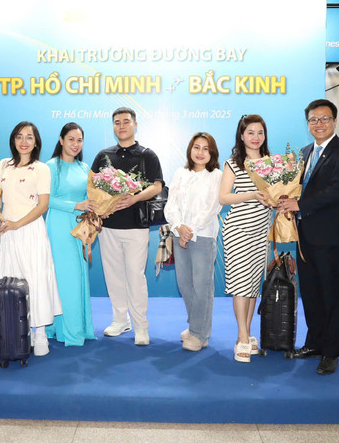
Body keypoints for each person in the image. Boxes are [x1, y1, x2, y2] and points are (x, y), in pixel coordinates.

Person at [277, 99, 339, 375]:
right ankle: (314, 343)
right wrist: (285, 197)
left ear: (335, 121)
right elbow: (301, 187)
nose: (319, 124)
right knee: (310, 293)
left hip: (329, 235)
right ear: (308, 123)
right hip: (304, 235)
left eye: (324, 119)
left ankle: (331, 352)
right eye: (313, 119)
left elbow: (337, 190)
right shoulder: (305, 152)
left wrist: (300, 204)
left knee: (331, 294)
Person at [91, 107, 163, 346]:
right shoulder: (103, 155)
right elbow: (92, 185)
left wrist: (135, 197)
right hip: (108, 227)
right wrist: (101, 205)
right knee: (113, 276)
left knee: (135, 276)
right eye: (117, 122)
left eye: (125, 122)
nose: (121, 126)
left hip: (136, 226)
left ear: (135, 125)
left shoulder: (147, 155)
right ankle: (120, 320)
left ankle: (141, 326)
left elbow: (157, 186)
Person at [0, 121, 62, 356]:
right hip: (7, 232)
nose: (24, 141)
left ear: (36, 142)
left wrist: (17, 223)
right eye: (19, 136)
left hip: (31, 230)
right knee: (11, 279)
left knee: (36, 279)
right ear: (13, 140)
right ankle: (17, 330)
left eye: (29, 137)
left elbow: (42, 206)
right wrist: (1, 218)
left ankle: (40, 333)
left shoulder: (41, 168)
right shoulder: (3, 165)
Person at [219, 115, 272, 363]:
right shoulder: (233, 163)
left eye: (260, 132)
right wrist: (252, 194)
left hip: (262, 231)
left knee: (252, 285)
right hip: (238, 230)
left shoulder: (272, 163)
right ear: (241, 136)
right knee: (240, 283)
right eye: (250, 132)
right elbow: (223, 198)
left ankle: (248, 333)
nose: (255, 137)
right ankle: (241, 337)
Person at [164, 132, 223, 352]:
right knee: (184, 284)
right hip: (179, 234)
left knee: (202, 286)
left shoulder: (216, 175)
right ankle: (196, 326)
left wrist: (190, 230)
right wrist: (179, 226)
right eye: (196, 147)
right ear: (190, 149)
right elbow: (171, 203)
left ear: (212, 153)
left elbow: (212, 207)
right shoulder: (181, 173)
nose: (200, 152)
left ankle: (199, 333)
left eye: (206, 148)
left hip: (203, 236)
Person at [44, 122, 98, 346]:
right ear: (61, 140)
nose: (75, 144)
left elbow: (90, 197)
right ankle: (64, 331)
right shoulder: (50, 166)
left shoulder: (84, 168)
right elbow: (46, 200)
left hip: (81, 228)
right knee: (65, 278)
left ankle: (78, 328)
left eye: (79, 140)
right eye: (71, 139)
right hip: (58, 227)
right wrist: (76, 205)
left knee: (79, 276)